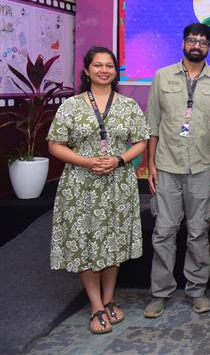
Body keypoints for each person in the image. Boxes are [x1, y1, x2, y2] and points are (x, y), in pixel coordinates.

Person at [48, 46, 149, 334]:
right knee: (87, 241)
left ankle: (109, 299)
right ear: (86, 70)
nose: (104, 70)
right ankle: (95, 305)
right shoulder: (71, 106)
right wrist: (88, 162)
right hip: (81, 183)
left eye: (109, 66)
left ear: (115, 72)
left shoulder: (128, 106)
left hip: (117, 181)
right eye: (98, 65)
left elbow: (141, 141)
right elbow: (55, 144)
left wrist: (118, 160)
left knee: (112, 241)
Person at [144, 23, 210, 318]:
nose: (197, 45)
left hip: (204, 167)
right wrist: (150, 165)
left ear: (209, 47)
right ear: (183, 42)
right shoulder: (162, 76)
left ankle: (196, 291)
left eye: (203, 42)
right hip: (167, 166)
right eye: (192, 40)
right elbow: (152, 125)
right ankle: (160, 293)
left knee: (198, 232)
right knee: (163, 231)